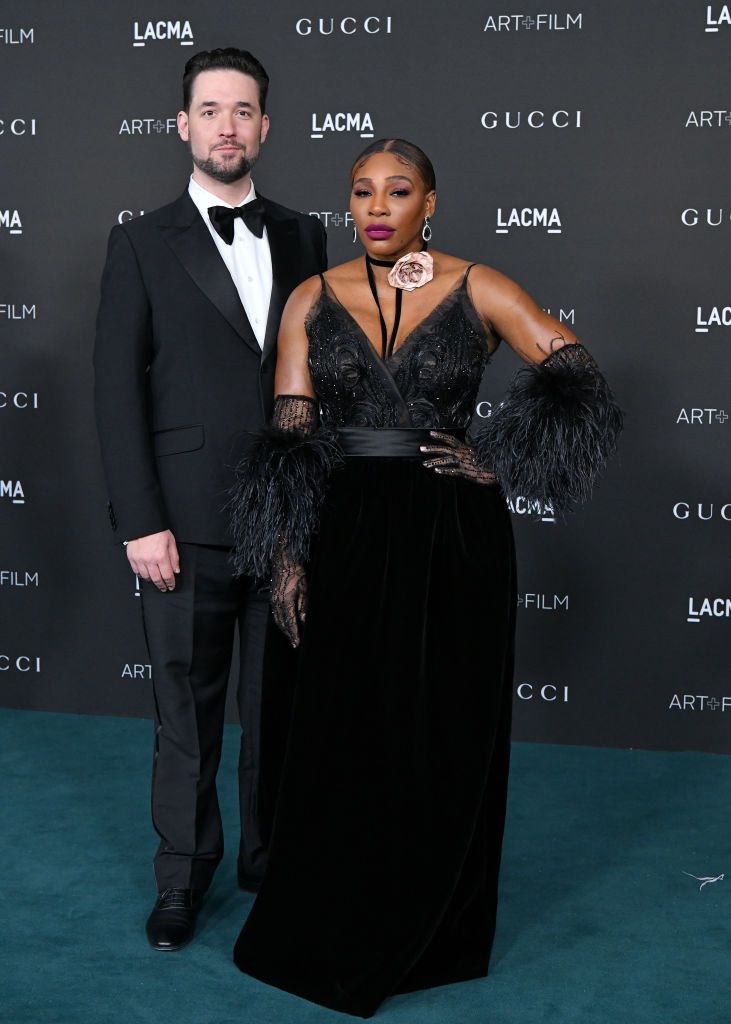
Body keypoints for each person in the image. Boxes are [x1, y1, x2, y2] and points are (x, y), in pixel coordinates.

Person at [229, 138, 621, 1017]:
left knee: (438, 719)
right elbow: (291, 436)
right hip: (340, 531)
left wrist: (498, 459)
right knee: (337, 726)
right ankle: (328, 907)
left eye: (396, 191)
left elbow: (578, 378)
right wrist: (287, 555)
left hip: (451, 534)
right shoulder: (309, 297)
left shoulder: (479, 285)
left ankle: (431, 922)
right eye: (361, 191)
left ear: (428, 202)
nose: (376, 206)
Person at [93, 47, 327, 952]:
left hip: (285, 521)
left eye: (243, 110)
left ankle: (269, 866)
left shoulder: (307, 235)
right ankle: (182, 880)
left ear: (265, 127)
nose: (226, 125)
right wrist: (140, 520)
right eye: (209, 109)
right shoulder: (141, 241)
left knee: (279, 713)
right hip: (180, 525)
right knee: (185, 715)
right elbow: (117, 392)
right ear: (182, 125)